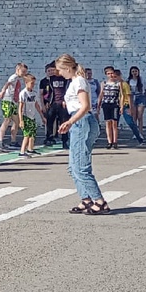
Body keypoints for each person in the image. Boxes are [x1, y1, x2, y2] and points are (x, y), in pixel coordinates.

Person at [55, 55, 109, 215]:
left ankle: (100, 202)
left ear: (67, 68)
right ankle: (86, 199)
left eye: (60, 70)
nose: (59, 73)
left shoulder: (79, 81)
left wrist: (70, 122)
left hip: (81, 122)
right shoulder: (74, 82)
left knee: (80, 167)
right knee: (73, 167)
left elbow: (85, 106)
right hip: (79, 121)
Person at [0, 63, 26, 151]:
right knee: (7, 120)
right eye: (23, 71)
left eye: (25, 72)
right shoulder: (14, 77)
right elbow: (7, 84)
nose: (24, 73)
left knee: (16, 121)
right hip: (8, 101)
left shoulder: (18, 78)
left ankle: (13, 141)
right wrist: (2, 92)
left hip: (13, 102)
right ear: (18, 70)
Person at [41, 64, 69, 149]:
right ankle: (49, 138)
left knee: (63, 122)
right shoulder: (50, 79)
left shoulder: (65, 78)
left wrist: (66, 100)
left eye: (54, 70)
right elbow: (46, 92)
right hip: (53, 103)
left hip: (62, 103)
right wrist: (46, 101)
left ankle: (65, 141)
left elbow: (68, 89)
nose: (53, 72)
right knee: (50, 121)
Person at [117, 69, 145, 144]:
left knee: (132, 121)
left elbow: (129, 96)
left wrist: (130, 107)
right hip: (116, 105)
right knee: (114, 123)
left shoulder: (125, 84)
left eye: (117, 76)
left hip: (126, 104)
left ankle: (139, 136)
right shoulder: (114, 84)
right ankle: (113, 141)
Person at [18, 74, 40, 157]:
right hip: (26, 116)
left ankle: (30, 149)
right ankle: (22, 151)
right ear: (26, 82)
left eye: (34, 83)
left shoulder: (34, 93)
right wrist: (21, 120)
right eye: (31, 83)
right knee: (26, 134)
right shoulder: (23, 93)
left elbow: (36, 104)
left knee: (32, 133)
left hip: (32, 116)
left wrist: (41, 115)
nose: (33, 85)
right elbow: (20, 108)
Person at [99, 66, 121, 148]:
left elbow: (121, 95)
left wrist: (121, 106)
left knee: (114, 123)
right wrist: (98, 106)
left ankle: (115, 141)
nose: (110, 75)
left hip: (115, 104)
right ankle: (109, 141)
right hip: (106, 104)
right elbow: (101, 94)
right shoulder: (104, 83)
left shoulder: (118, 83)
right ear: (106, 74)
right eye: (108, 74)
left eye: (112, 73)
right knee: (108, 122)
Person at [126, 66, 146, 141]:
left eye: (136, 71)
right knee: (134, 116)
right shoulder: (128, 80)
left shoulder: (142, 80)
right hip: (132, 98)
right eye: (133, 71)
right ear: (130, 72)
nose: (134, 73)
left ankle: (140, 132)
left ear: (138, 72)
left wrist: (145, 101)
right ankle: (135, 133)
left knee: (140, 116)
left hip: (141, 97)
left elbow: (145, 91)